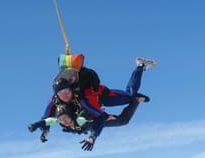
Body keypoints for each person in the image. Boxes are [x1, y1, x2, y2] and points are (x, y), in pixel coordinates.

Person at [28, 57, 156, 150]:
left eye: (67, 91)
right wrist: (45, 131)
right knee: (122, 121)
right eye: (61, 94)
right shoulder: (54, 101)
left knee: (129, 96)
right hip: (92, 112)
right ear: (57, 95)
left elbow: (100, 117)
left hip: (103, 96)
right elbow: (46, 117)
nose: (65, 96)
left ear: (71, 90)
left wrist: (93, 137)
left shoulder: (83, 99)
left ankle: (140, 66)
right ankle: (136, 93)